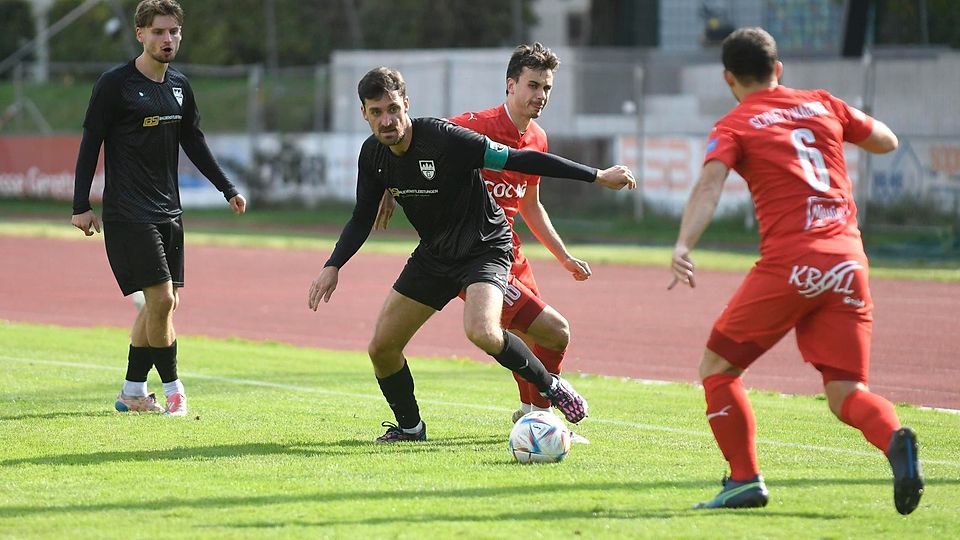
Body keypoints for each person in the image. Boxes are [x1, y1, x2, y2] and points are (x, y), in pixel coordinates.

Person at [669, 27, 923, 514]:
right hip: (848, 261)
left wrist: (684, 242)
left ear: (729, 78)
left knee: (717, 369)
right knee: (847, 392)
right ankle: (894, 438)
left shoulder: (734, 124)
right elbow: (887, 141)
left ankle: (744, 481)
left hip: (793, 261)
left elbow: (710, 185)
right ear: (777, 69)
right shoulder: (823, 102)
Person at [308, 67, 635, 442]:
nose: (387, 120)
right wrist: (333, 265)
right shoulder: (373, 155)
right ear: (364, 114)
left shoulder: (444, 138)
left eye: (393, 109)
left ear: (406, 105)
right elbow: (361, 216)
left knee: (481, 331)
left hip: (485, 249)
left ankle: (551, 387)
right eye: (377, 112)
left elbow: (519, 160)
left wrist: (597, 175)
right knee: (382, 348)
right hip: (435, 255)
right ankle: (411, 428)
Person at [375, 43, 584, 423]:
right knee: (552, 331)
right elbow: (416, 140)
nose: (540, 96)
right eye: (533, 85)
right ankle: (539, 415)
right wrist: (388, 185)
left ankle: (532, 415)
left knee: (548, 336)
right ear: (511, 85)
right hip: (473, 252)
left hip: (509, 254)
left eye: (547, 88)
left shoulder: (537, 139)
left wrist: (563, 255)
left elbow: (529, 205)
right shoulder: (476, 125)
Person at [71, 0, 246, 417]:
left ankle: (132, 392)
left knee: (161, 305)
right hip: (128, 212)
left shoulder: (180, 86)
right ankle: (174, 390)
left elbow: (195, 142)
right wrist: (81, 204)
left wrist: (227, 188)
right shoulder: (115, 85)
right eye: (158, 32)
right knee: (163, 301)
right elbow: (90, 142)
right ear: (140, 34)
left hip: (169, 211)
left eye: (173, 32)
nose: (167, 39)